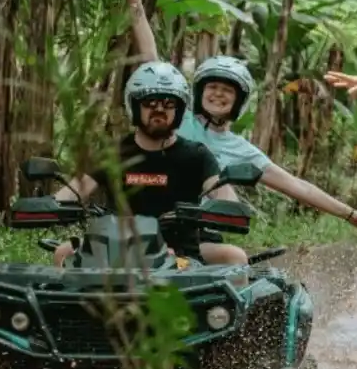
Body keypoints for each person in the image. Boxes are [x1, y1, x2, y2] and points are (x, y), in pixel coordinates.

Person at [113, 0, 357, 238]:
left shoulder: (240, 150)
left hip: (195, 233)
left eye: (227, 91)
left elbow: (297, 186)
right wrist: (134, 1)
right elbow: (150, 57)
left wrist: (350, 214)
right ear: (198, 91)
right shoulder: (176, 119)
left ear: (238, 102)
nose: (218, 94)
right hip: (142, 219)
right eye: (212, 88)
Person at [51, 62, 247, 267]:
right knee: (63, 251)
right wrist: (48, 206)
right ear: (135, 106)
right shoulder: (112, 154)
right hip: (118, 245)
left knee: (235, 257)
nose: (159, 109)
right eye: (150, 102)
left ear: (179, 109)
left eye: (169, 103)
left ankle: (241, 301)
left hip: (185, 249)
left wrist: (228, 206)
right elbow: (73, 191)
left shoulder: (196, 155)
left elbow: (220, 190)